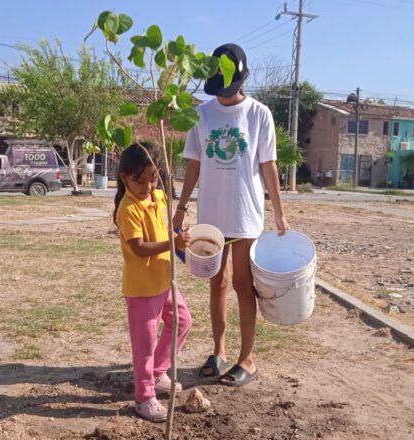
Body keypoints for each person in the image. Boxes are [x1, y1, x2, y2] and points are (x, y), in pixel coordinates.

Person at [173, 43, 290, 387]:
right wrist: (181, 208)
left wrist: (280, 213)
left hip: (245, 213)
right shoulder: (202, 114)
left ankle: (248, 360)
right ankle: (219, 352)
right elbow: (194, 164)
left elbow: (268, 165)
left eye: (228, 89)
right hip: (212, 216)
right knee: (217, 283)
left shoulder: (259, 114)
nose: (222, 96)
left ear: (241, 81)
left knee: (243, 284)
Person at [114, 141, 193, 422]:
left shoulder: (159, 197)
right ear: (124, 178)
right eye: (139, 180)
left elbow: (167, 228)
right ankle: (144, 396)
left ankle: (159, 372)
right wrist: (172, 243)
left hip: (164, 281)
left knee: (182, 322)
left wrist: (180, 237)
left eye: (153, 177)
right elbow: (138, 247)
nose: (147, 185)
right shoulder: (128, 208)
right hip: (142, 290)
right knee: (144, 346)